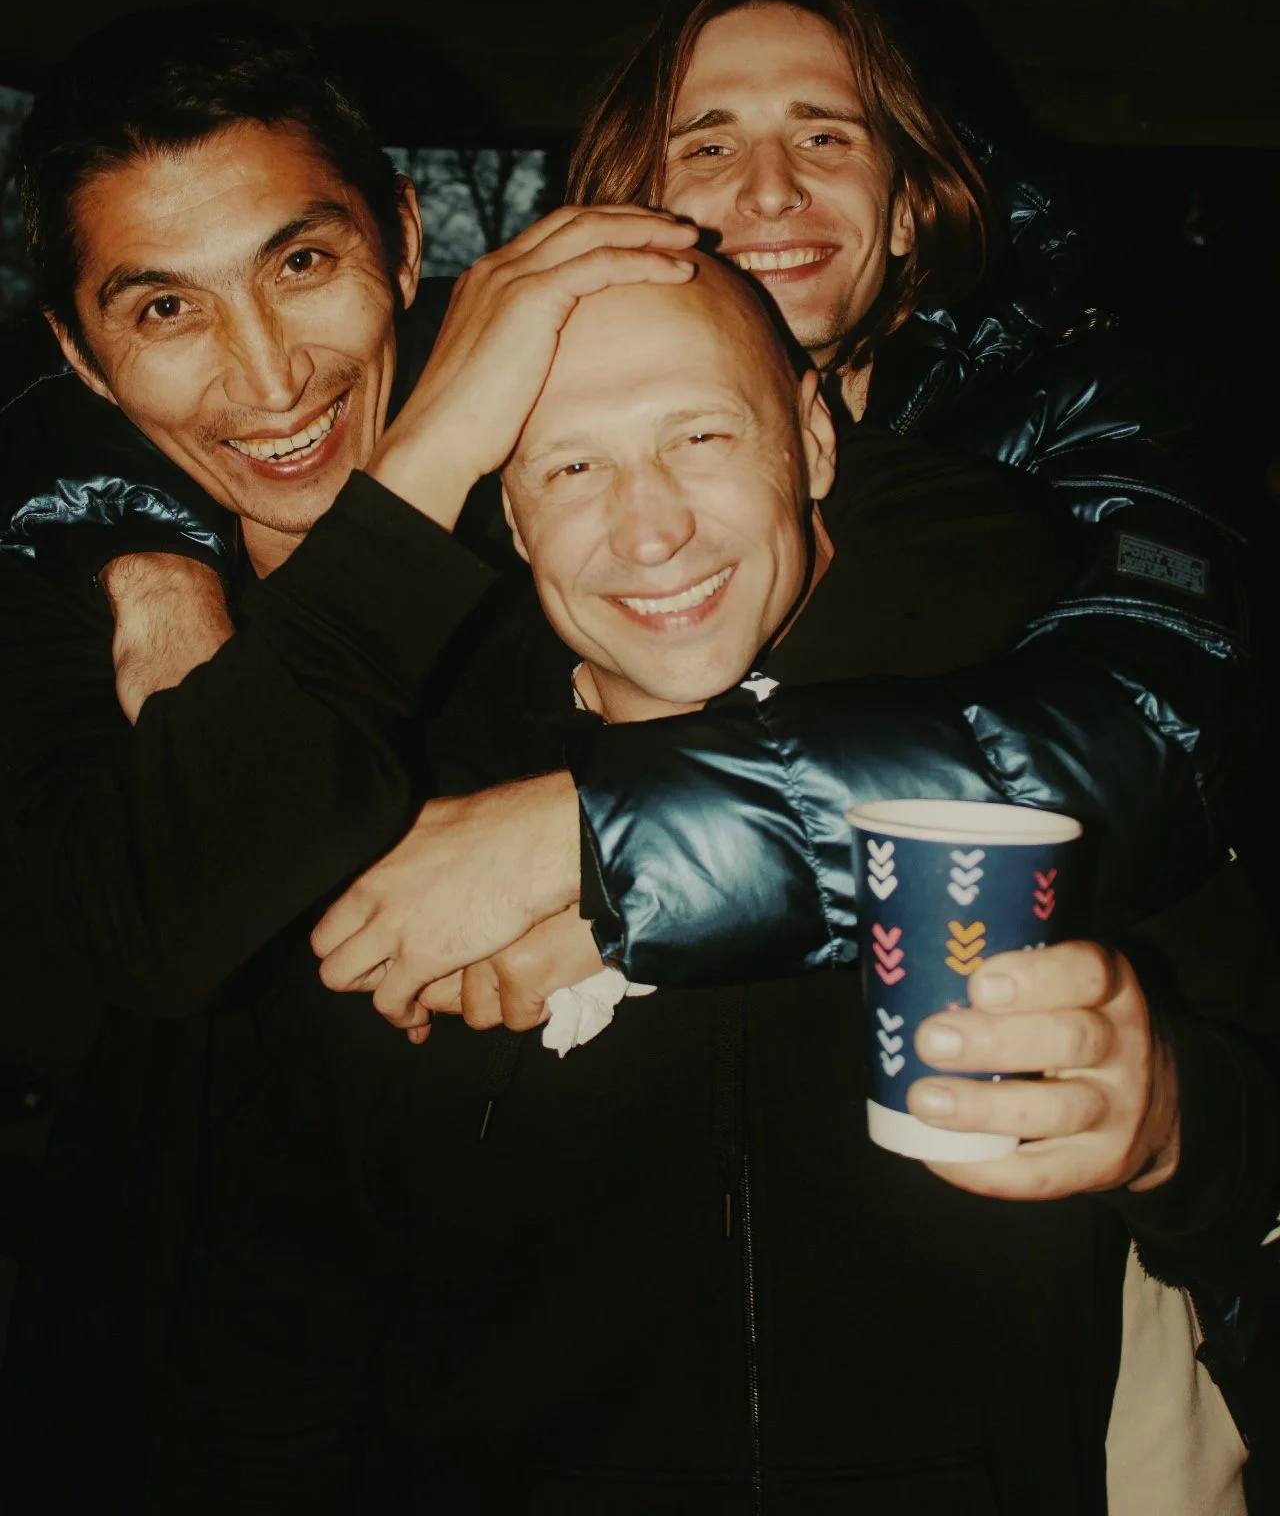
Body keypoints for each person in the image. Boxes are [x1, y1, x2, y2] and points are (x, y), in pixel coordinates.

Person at [149, 261, 1138, 1513]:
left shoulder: (1018, 779)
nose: (649, 529)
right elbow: (278, 1321)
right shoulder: (393, 829)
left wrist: (1162, 1118)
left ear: (812, 442)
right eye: (571, 467)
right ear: (510, 519)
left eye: (700, 436)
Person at [0, 6, 703, 1503]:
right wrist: (416, 461)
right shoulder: (55, 606)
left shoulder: (598, 538)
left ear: (402, 237)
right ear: (78, 354)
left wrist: (610, 828)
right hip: (169, 1439)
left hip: (570, 1438)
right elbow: (158, 920)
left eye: (300, 265)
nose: (268, 382)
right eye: (165, 309)